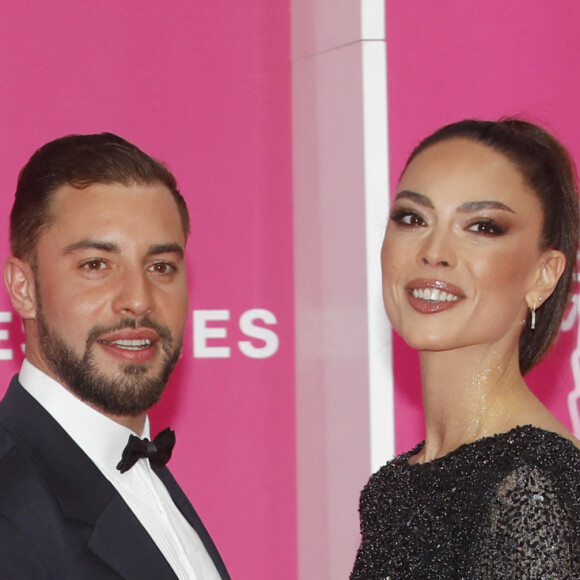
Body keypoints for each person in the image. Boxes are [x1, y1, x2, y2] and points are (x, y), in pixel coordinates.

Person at [351, 119, 580, 578]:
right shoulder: (397, 484)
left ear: (543, 275)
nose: (435, 251)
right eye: (412, 218)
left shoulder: (529, 487)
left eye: (482, 226)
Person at [0, 133, 230, 579]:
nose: (138, 300)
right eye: (96, 265)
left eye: (160, 266)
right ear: (23, 287)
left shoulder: (143, 473)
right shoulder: (10, 511)